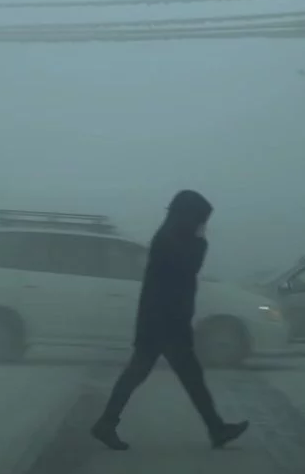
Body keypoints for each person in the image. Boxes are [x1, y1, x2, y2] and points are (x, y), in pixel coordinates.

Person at [90, 189, 249, 451]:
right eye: (201, 219)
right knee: (160, 375)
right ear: (187, 216)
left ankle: (215, 428)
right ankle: (215, 428)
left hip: (164, 321)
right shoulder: (169, 241)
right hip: (163, 323)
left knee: (170, 376)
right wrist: (201, 242)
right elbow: (188, 268)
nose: (203, 226)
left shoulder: (170, 237)